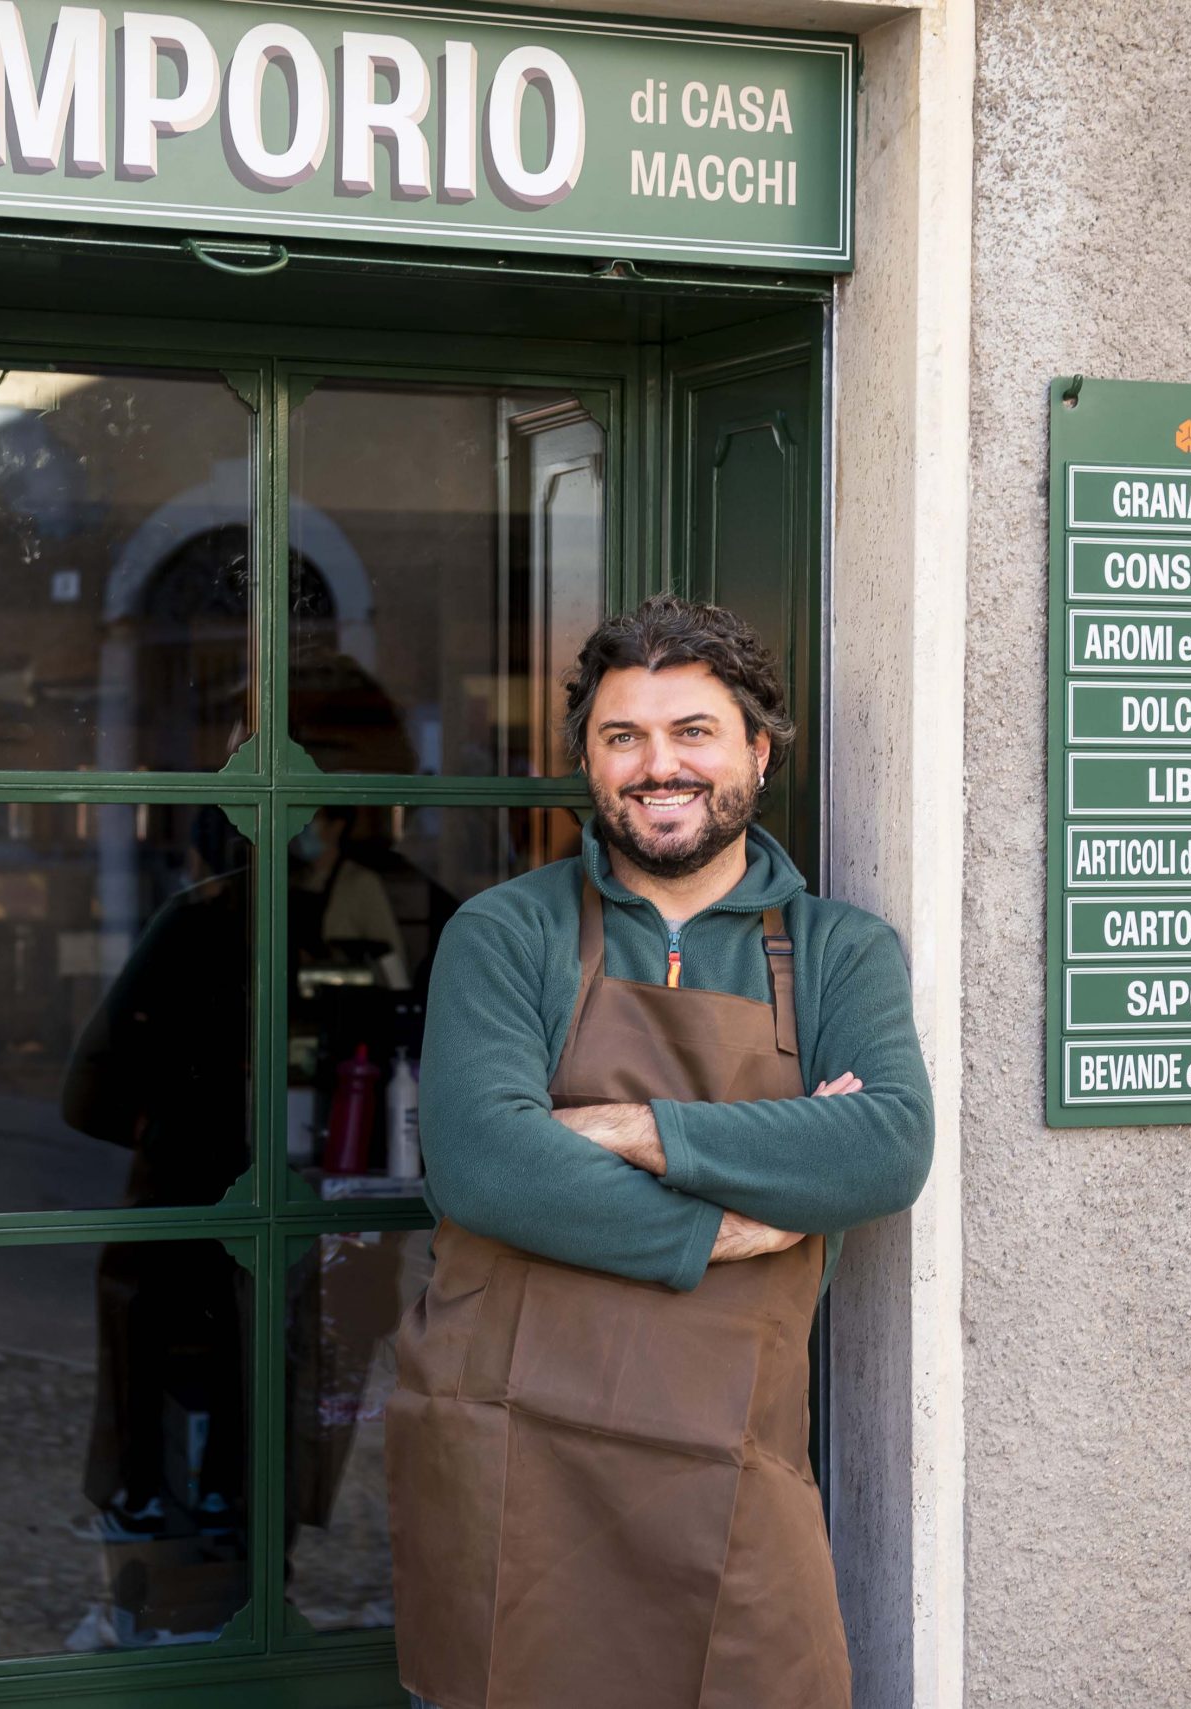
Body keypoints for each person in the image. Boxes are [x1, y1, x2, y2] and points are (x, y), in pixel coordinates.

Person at [386, 594, 936, 1709]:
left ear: (757, 751)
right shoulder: (507, 932)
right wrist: (725, 1223)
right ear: (587, 759)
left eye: (692, 731)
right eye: (622, 736)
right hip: (516, 1445)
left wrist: (628, 1126)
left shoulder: (840, 951)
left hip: (727, 1458)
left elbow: (884, 1144)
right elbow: (486, 1163)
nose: (657, 765)